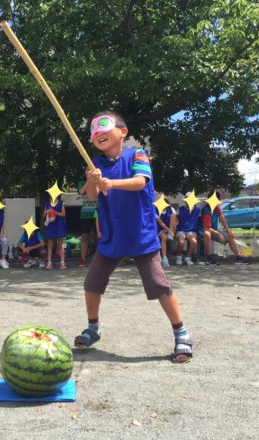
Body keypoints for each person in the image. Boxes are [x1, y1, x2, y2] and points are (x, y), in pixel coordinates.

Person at [74, 111, 193, 363]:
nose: (99, 135)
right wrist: (93, 180)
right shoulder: (96, 163)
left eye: (104, 129)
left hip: (141, 234)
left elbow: (140, 182)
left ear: (123, 132)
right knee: (92, 284)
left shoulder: (137, 155)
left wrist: (110, 183)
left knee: (158, 285)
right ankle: (93, 328)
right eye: (95, 133)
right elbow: (93, 196)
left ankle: (181, 333)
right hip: (111, 235)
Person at [200, 190, 249, 266]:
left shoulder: (217, 208)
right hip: (204, 231)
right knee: (207, 234)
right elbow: (207, 228)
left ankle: (239, 257)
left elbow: (222, 218)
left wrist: (228, 230)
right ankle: (208, 258)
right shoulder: (206, 211)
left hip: (214, 230)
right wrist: (219, 234)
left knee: (230, 236)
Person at [77, 178, 98, 267]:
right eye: (87, 170)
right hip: (85, 213)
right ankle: (83, 259)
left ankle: (100, 259)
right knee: (84, 236)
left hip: (98, 212)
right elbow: (81, 192)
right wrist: (89, 180)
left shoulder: (98, 180)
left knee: (100, 236)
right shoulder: (82, 182)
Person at [43, 194, 67, 270]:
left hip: (59, 224)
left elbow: (63, 214)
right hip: (50, 225)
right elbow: (43, 215)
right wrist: (47, 212)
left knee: (60, 245)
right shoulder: (47, 204)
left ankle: (62, 263)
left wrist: (54, 211)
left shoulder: (61, 203)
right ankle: (49, 262)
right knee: (50, 245)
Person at [174, 200, 200, 266]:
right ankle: (178, 257)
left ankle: (188, 257)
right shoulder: (180, 209)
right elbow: (175, 218)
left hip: (191, 231)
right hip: (181, 230)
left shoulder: (197, 209)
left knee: (194, 242)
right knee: (181, 242)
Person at [156, 200, 178, 268]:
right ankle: (164, 258)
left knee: (173, 216)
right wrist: (169, 231)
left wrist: (172, 230)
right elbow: (161, 223)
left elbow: (176, 220)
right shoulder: (155, 210)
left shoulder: (171, 209)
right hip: (159, 229)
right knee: (164, 237)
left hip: (169, 229)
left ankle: (167, 256)